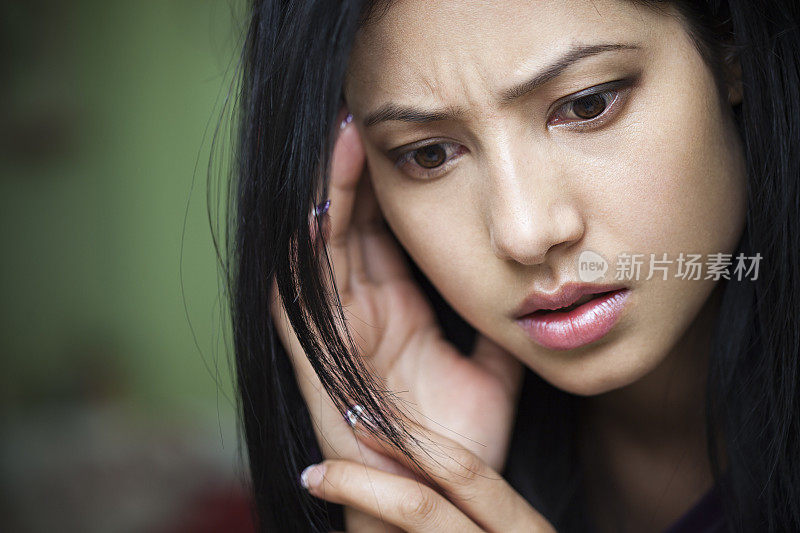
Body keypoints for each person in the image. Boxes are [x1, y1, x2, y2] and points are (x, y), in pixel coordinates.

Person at [219, 0, 800, 531]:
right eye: (429, 154)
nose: (525, 235)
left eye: (587, 103)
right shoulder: (443, 417)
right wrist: (414, 485)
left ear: (731, 47)